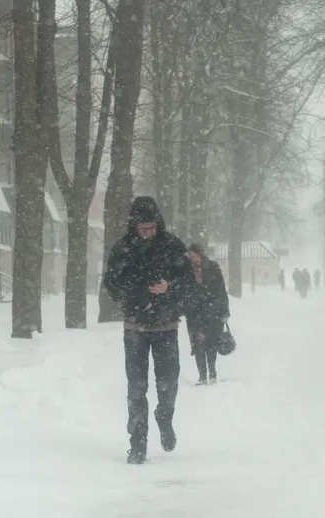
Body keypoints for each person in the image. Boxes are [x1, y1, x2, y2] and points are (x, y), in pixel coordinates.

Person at [103, 196, 192, 465]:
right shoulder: (123, 249)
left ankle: (165, 418)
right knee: (136, 387)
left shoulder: (173, 246)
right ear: (134, 226)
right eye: (143, 229)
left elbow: (188, 283)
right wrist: (136, 293)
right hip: (135, 326)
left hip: (166, 325)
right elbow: (111, 284)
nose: (148, 233)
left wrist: (169, 287)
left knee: (168, 383)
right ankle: (137, 443)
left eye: (152, 227)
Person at [185, 244, 230, 385]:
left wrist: (224, 311)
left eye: (192, 254)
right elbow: (183, 291)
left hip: (212, 312)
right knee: (197, 345)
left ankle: (212, 373)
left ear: (199, 254)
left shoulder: (212, 267)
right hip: (194, 313)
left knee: (211, 344)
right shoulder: (187, 270)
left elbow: (221, 290)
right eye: (189, 254)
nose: (190, 257)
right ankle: (202, 376)